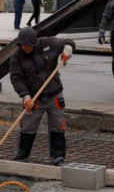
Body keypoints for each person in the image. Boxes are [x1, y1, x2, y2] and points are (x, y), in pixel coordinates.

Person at [9, 27, 74, 165]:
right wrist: (25, 96)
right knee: (27, 128)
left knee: (57, 127)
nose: (24, 48)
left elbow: (67, 41)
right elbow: (16, 79)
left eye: (27, 45)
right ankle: (21, 157)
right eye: (22, 45)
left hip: (54, 94)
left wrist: (67, 50)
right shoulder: (17, 57)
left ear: (34, 43)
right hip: (34, 98)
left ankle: (58, 158)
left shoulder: (48, 43)